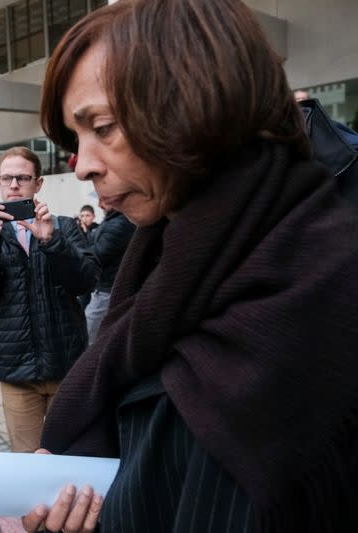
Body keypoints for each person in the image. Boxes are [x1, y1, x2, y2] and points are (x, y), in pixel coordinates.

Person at [22, 1, 358, 532]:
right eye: (74, 139)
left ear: (196, 108)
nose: (83, 164)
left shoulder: (308, 298)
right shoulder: (167, 250)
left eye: (103, 127)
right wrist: (94, 480)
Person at [0, 146, 98, 453]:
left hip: (67, 366)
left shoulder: (64, 227)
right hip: (17, 373)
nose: (13, 185)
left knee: (74, 454)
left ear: (38, 183)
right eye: (6, 178)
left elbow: (87, 280)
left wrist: (51, 240)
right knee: (27, 462)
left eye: (22, 177)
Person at [83, 202, 135, 345]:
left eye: (105, 200)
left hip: (108, 288)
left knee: (88, 332)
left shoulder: (118, 224)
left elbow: (97, 255)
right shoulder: (112, 220)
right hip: (106, 286)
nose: (100, 204)